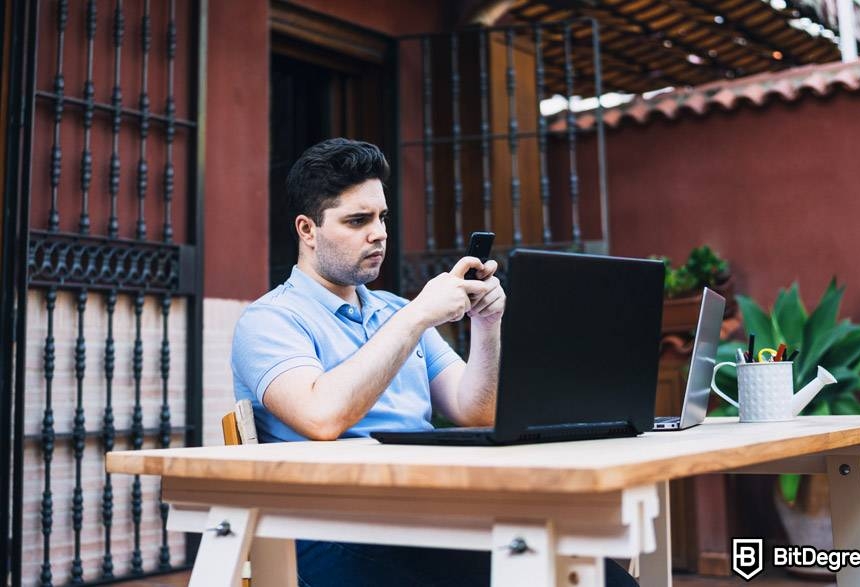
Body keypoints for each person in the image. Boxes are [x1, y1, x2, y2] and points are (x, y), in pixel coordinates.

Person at [231, 138, 638, 587]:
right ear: (307, 230)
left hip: (429, 516)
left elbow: (475, 411)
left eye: (382, 217)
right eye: (357, 220)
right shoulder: (269, 320)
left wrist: (487, 325)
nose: (379, 233)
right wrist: (418, 315)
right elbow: (321, 417)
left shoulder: (394, 310)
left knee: (606, 581)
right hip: (325, 534)